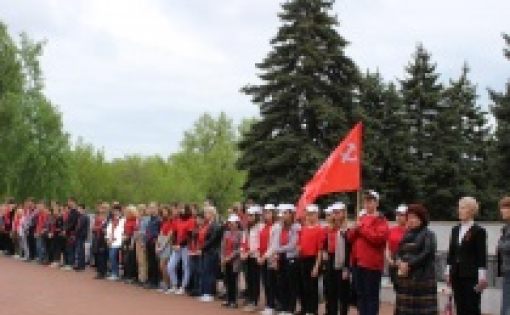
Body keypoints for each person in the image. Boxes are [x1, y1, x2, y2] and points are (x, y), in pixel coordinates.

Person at [347, 190, 389, 315]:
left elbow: (378, 238)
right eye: (366, 201)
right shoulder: (361, 218)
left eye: (371, 201)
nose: (367, 203)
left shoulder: (381, 220)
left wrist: (361, 228)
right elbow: (350, 238)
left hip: (372, 264)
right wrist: (355, 229)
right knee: (360, 294)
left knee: (371, 295)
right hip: (358, 263)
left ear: (377, 203)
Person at [446, 196, 488, 315]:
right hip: (456, 274)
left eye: (463, 208)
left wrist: (482, 277)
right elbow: (451, 252)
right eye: (459, 207)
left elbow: (481, 255)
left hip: (472, 276)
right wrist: (448, 271)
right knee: (459, 305)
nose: (459, 210)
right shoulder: (455, 229)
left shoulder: (479, 231)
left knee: (472, 306)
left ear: (471, 210)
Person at [394, 204, 437, 315]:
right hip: (405, 280)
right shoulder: (406, 234)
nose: (411, 220)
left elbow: (427, 253)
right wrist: (399, 262)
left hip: (422, 280)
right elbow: (398, 252)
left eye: (414, 217)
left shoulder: (429, 234)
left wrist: (409, 264)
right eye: (409, 217)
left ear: (422, 219)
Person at [324, 202, 351, 315]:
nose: (335, 214)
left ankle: (343, 312)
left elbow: (350, 250)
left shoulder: (347, 229)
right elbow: (325, 243)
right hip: (330, 260)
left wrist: (346, 267)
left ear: (344, 213)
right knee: (331, 290)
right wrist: (325, 251)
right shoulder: (329, 228)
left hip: (342, 261)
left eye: (338, 212)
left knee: (343, 292)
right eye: (334, 212)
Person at [298, 204, 324, 315]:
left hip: (313, 260)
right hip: (302, 259)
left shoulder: (319, 230)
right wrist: (298, 248)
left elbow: (320, 250)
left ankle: (312, 310)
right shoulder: (303, 229)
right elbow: (300, 244)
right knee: (303, 286)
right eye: (308, 214)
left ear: (317, 215)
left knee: (312, 287)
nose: (309, 216)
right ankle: (304, 308)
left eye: (312, 214)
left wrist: (316, 266)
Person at [274, 204, 300, 315]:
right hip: (281, 257)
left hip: (292, 258)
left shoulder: (296, 227)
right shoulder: (280, 227)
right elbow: (276, 241)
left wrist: (278, 249)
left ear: (291, 214)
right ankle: (284, 307)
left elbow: (292, 245)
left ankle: (290, 308)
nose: (283, 216)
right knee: (282, 282)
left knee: (291, 284)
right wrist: (277, 252)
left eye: (285, 213)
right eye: (282, 213)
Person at [168, 204, 196, 295]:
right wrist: (174, 244)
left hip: (186, 247)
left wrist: (180, 245)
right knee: (170, 266)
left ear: (187, 210)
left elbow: (189, 235)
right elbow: (174, 233)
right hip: (177, 246)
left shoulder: (191, 220)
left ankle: (183, 287)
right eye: (180, 209)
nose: (181, 210)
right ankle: (174, 284)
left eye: (182, 209)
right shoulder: (178, 220)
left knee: (186, 267)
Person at [241, 205, 264, 312]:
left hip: (256, 256)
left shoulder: (260, 227)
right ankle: (250, 299)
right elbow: (244, 241)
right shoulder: (247, 228)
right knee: (248, 279)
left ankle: (255, 301)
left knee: (255, 280)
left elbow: (259, 244)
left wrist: (249, 252)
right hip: (247, 257)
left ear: (256, 216)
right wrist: (243, 252)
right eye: (248, 216)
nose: (249, 218)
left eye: (251, 216)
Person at [258, 204, 279, 315]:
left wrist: (265, 256)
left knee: (271, 282)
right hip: (262, 258)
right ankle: (268, 304)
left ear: (273, 214)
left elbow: (274, 245)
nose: (267, 214)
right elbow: (258, 242)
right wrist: (259, 255)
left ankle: (272, 305)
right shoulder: (262, 226)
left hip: (270, 258)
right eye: (265, 212)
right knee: (265, 282)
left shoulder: (276, 227)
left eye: (269, 212)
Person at [199, 205, 222, 303]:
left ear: (212, 214)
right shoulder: (207, 224)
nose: (205, 215)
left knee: (210, 272)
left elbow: (212, 240)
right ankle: (205, 292)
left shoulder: (216, 225)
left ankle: (210, 293)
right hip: (206, 251)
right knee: (205, 271)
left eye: (206, 213)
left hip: (212, 251)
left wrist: (202, 247)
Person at [221, 213, 243, 309]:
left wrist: (230, 256)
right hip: (226, 260)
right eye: (229, 223)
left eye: (233, 223)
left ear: (237, 223)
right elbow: (222, 246)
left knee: (233, 280)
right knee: (227, 279)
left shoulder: (240, 234)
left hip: (235, 260)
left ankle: (234, 301)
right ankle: (229, 299)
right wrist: (222, 257)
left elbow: (240, 248)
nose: (231, 225)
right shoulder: (226, 233)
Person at [386, 205, 408, 292]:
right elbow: (387, 247)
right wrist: (389, 259)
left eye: (401, 215)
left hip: (405, 262)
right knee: (397, 287)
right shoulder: (391, 230)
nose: (399, 217)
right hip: (393, 262)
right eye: (397, 214)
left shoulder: (410, 231)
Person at [156, 205, 174, 293]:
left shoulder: (171, 221)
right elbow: (160, 233)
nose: (164, 213)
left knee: (164, 265)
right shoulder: (164, 221)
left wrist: (163, 246)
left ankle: (168, 284)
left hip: (167, 244)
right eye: (163, 211)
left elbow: (169, 235)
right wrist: (157, 244)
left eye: (165, 211)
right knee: (162, 265)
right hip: (161, 242)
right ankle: (165, 283)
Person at [497, 196, 510, 315]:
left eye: (505, 207)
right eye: (502, 207)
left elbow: (505, 247)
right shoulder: (505, 228)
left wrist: (501, 244)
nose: (502, 210)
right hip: (506, 272)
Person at [145, 202, 161, 289]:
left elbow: (160, 232)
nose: (151, 210)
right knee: (150, 261)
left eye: (153, 208)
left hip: (154, 242)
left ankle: (155, 281)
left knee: (155, 262)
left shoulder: (158, 220)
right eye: (150, 208)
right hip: (148, 242)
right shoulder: (150, 219)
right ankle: (150, 280)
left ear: (157, 209)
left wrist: (157, 241)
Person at [106, 206, 125, 280]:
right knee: (111, 257)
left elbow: (122, 231)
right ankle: (114, 272)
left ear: (120, 212)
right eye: (114, 211)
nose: (115, 212)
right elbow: (108, 230)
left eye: (117, 211)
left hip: (118, 241)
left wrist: (117, 238)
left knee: (113, 256)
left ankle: (115, 273)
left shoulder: (123, 220)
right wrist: (108, 239)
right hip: (111, 241)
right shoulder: (112, 220)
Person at [188, 213, 205, 297]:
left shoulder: (204, 228)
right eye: (197, 219)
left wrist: (200, 249)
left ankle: (200, 289)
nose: (197, 221)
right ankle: (194, 288)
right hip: (193, 251)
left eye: (199, 219)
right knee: (194, 270)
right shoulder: (195, 229)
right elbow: (192, 240)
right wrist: (191, 249)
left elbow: (202, 241)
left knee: (199, 271)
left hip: (200, 251)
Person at [92, 202, 109, 278]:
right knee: (98, 254)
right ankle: (100, 271)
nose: (102, 210)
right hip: (98, 237)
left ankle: (103, 272)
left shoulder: (109, 218)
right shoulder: (98, 217)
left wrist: (99, 228)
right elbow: (94, 227)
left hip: (105, 238)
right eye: (102, 208)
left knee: (103, 255)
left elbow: (105, 228)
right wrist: (96, 228)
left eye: (104, 208)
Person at [122, 205, 138, 282]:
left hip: (131, 240)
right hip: (125, 240)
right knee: (125, 259)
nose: (126, 213)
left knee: (130, 259)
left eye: (128, 212)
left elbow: (134, 233)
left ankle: (131, 276)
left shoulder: (134, 221)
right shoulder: (126, 221)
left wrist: (132, 243)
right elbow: (125, 231)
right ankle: (126, 274)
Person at [135, 204, 149, 286]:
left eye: (140, 210)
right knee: (139, 260)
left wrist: (139, 233)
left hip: (143, 241)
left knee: (143, 260)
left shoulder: (146, 220)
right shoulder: (139, 220)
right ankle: (140, 277)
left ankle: (144, 278)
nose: (138, 212)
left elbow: (146, 231)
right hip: (138, 240)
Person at [74, 204, 90, 271]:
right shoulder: (80, 216)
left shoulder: (84, 217)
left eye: (79, 208)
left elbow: (79, 227)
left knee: (80, 250)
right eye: (78, 208)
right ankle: (80, 265)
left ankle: (81, 266)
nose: (78, 210)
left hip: (81, 235)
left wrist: (75, 232)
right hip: (79, 235)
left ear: (83, 209)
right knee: (80, 250)